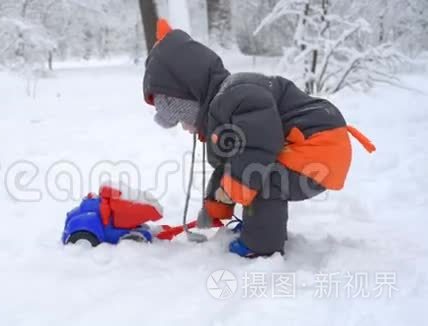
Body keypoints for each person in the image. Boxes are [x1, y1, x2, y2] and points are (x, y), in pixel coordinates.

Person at [142, 19, 375, 258]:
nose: (186, 129)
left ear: (193, 100)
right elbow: (231, 162)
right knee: (248, 169)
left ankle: (261, 245)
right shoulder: (225, 102)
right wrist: (216, 204)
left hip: (318, 146)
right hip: (310, 146)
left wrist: (233, 188)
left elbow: (259, 147)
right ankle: (260, 230)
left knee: (259, 175)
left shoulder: (237, 96)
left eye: (183, 119)